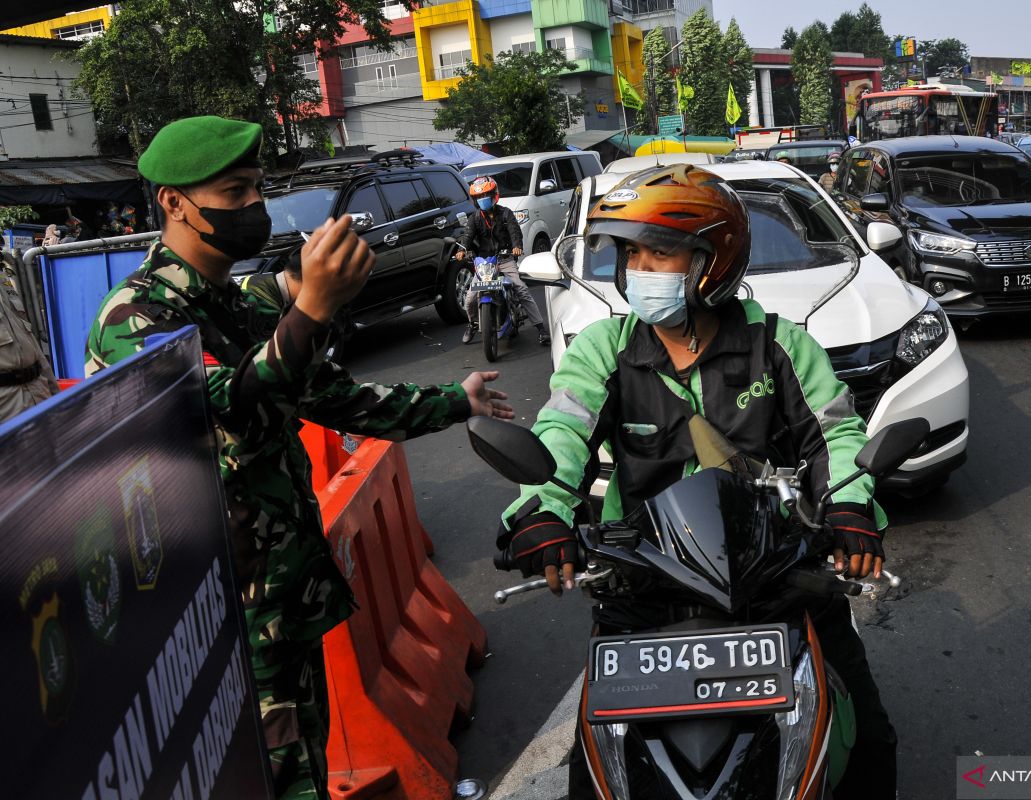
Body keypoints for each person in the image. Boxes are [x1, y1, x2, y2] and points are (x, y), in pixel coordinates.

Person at [84, 115, 515, 800]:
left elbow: (334, 398)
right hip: (221, 622)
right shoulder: (136, 317)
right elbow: (228, 403)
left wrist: (455, 401)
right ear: (173, 202)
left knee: (305, 767)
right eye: (234, 192)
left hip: (285, 598)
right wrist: (309, 308)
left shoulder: (235, 302)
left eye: (258, 190)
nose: (254, 207)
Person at [495, 165, 897, 799]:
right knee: (594, 774)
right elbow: (561, 435)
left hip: (775, 574)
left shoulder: (778, 346)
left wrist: (848, 510)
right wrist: (542, 512)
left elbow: (836, 438)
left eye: (661, 251)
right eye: (631, 253)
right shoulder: (605, 349)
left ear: (715, 258)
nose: (640, 269)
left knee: (868, 741)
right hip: (643, 575)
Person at [458, 176, 549, 346]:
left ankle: (541, 329)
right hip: (484, 263)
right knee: (470, 297)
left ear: (494, 195)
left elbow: (515, 232)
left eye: (486, 195)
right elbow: (467, 236)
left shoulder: (506, 213)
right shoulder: (474, 218)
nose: (483, 199)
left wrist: (516, 246)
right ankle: (473, 323)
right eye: (479, 197)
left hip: (505, 259)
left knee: (521, 288)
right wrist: (462, 250)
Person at [0, 252, 58, 423]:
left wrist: (56, 397)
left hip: (38, 395)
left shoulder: (4, 283)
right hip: (6, 409)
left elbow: (32, 345)